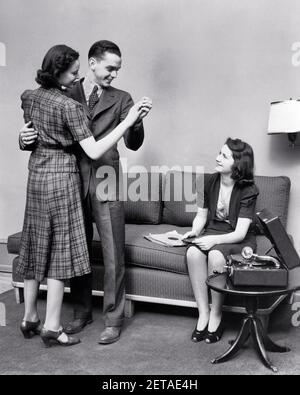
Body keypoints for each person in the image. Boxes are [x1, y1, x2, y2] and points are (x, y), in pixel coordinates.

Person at [18, 44, 151, 348]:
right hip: (69, 181)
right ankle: (81, 312)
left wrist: (136, 120)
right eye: (110, 68)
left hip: (106, 181)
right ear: (92, 64)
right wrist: (23, 139)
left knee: (113, 253)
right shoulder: (63, 89)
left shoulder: (123, 99)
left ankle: (114, 320)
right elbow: (41, 129)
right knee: (77, 250)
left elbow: (133, 143)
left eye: (118, 68)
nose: (115, 74)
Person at [183, 138, 259, 343]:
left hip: (237, 237)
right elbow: (201, 215)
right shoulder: (208, 181)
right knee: (192, 252)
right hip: (213, 230)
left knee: (216, 255)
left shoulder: (249, 190)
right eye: (219, 152)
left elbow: (240, 233)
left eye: (224, 156)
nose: (217, 157)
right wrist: (194, 231)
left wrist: (212, 242)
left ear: (237, 164)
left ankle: (216, 315)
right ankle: (203, 314)